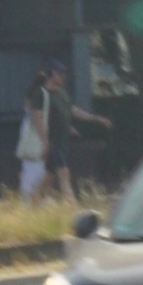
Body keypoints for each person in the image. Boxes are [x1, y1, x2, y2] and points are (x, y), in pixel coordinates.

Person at [41, 61, 112, 205]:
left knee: (49, 175)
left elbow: (72, 111)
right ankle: (70, 202)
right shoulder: (43, 95)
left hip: (62, 139)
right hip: (53, 140)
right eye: (60, 74)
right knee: (64, 172)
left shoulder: (61, 94)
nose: (63, 77)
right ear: (52, 74)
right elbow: (40, 118)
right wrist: (44, 140)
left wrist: (96, 119)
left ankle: (34, 198)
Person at [15, 68, 51, 201]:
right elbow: (37, 116)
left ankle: (27, 195)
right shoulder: (41, 94)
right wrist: (45, 139)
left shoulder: (29, 93)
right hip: (35, 133)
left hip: (26, 130)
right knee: (38, 163)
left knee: (27, 164)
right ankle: (34, 196)